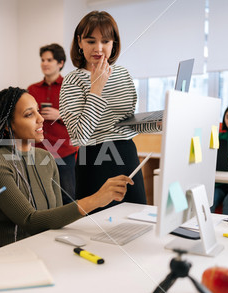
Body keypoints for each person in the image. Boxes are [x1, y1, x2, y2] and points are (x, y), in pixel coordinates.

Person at [0, 87, 133, 248]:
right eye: (29, 114)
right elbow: (29, 220)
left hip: (48, 246)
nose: (41, 119)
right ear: (8, 125)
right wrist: (96, 199)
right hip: (13, 254)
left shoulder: (45, 157)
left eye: (38, 111)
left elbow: (58, 217)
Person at [59, 11, 159, 213]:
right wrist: (96, 88)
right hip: (96, 159)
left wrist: (157, 123)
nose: (98, 48)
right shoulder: (72, 81)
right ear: (79, 42)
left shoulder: (122, 74)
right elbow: (80, 137)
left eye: (105, 41)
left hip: (127, 155)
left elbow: (126, 122)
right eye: (90, 41)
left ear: (114, 43)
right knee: (99, 230)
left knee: (136, 220)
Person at [27, 43, 78, 205]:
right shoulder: (32, 89)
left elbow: (81, 118)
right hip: (38, 152)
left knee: (68, 198)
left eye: (49, 60)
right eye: (43, 60)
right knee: (40, 198)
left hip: (64, 152)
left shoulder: (71, 88)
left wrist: (60, 114)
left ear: (60, 63)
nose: (45, 63)